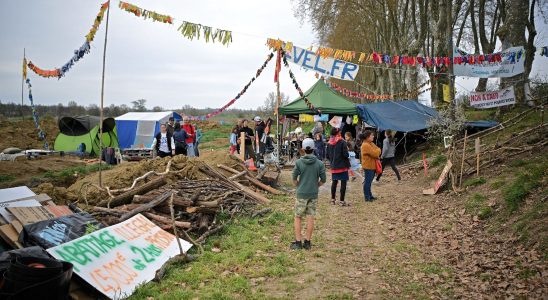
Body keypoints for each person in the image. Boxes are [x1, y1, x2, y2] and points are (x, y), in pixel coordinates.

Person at [291, 138, 326, 250]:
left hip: (301, 193)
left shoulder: (299, 162)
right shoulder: (319, 163)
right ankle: (307, 242)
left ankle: (298, 242)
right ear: (314, 148)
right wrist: (316, 185)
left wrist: (298, 185)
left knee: (298, 217)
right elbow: (323, 179)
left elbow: (294, 177)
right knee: (310, 217)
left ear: (302, 149)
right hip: (313, 194)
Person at [326, 128, 351, 206]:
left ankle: (333, 200)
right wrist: (347, 151)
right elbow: (346, 154)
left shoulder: (329, 142)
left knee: (334, 182)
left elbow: (327, 156)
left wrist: (333, 161)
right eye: (340, 132)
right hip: (343, 166)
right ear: (338, 133)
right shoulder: (342, 142)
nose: (341, 133)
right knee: (343, 183)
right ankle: (341, 201)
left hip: (334, 166)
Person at [361, 131, 381, 202]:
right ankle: (367, 197)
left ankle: (370, 195)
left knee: (369, 182)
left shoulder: (370, 143)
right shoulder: (365, 145)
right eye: (371, 136)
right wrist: (378, 150)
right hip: (368, 166)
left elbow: (377, 150)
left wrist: (377, 150)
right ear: (367, 137)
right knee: (368, 182)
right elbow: (375, 153)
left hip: (372, 166)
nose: (373, 137)